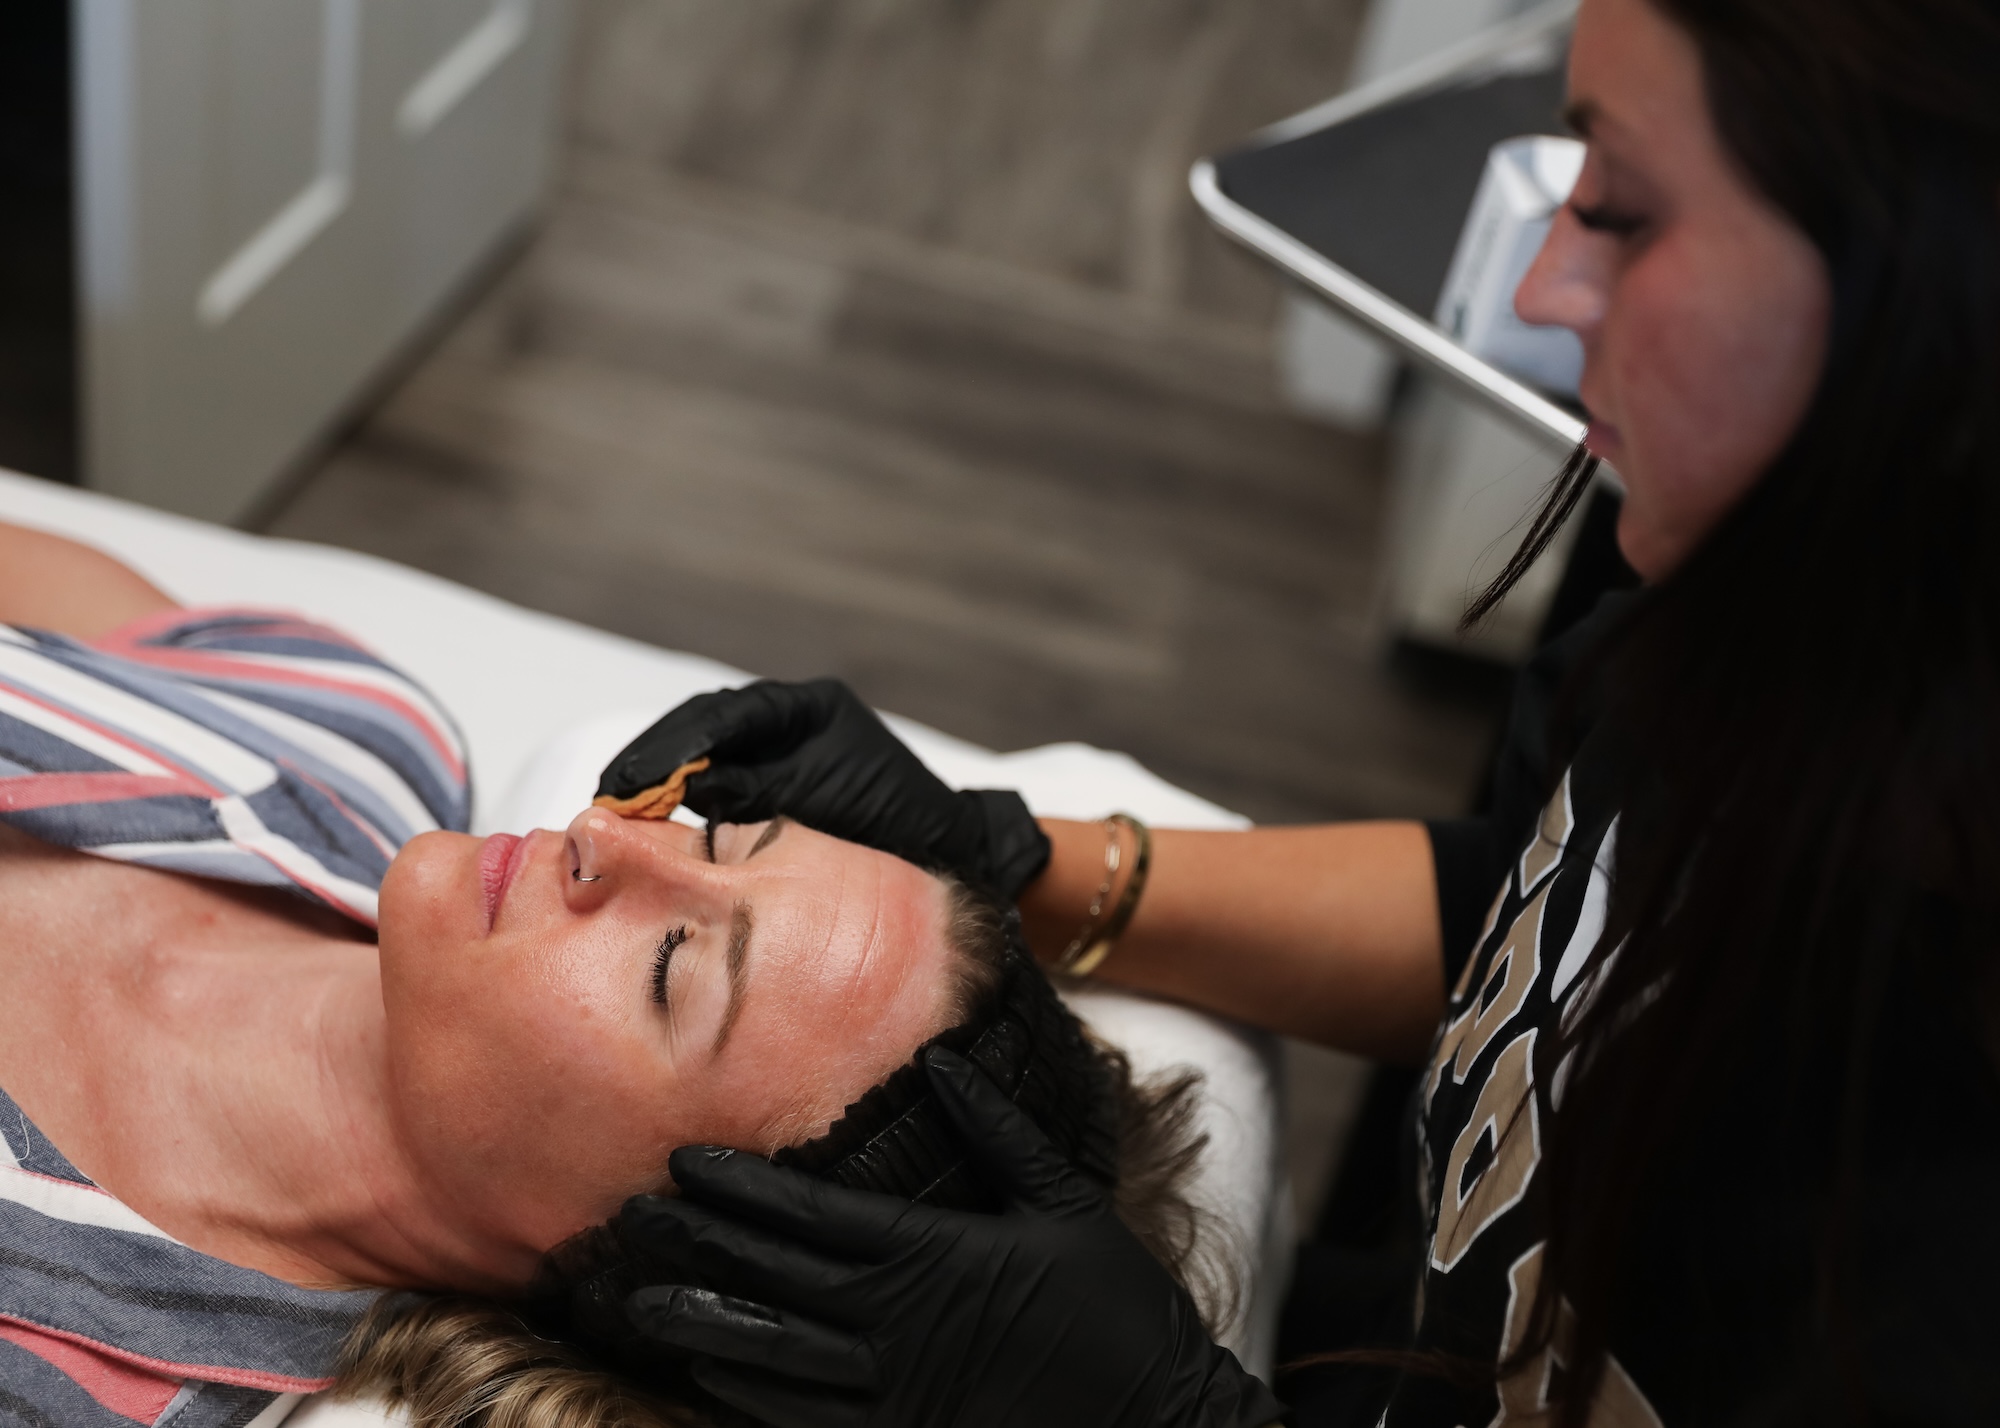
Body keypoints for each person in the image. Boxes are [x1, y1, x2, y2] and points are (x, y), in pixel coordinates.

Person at [590, 0, 2000, 1424]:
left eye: (1623, 211)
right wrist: (1021, 861)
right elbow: (1541, 908)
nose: (1539, 290)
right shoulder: (1770, 623)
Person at [0, 522, 1231, 1428]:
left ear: (676, 1272)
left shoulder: (69, 1380)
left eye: (669, 967)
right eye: (720, 840)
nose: (607, 837)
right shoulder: (350, 728)